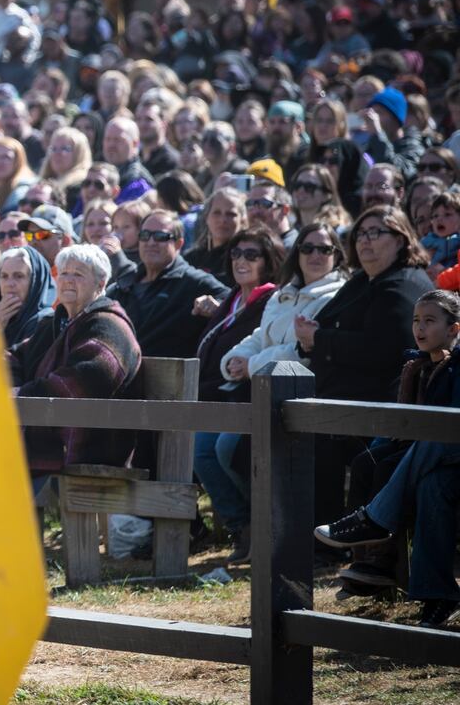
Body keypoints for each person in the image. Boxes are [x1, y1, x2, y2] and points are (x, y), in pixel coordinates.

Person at [314, 290, 460, 628]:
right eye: (416, 321)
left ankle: (375, 520)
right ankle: (437, 596)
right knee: (430, 484)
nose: (420, 328)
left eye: (430, 321)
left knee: (439, 436)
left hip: (448, 446)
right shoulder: (421, 366)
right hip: (445, 465)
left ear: (454, 329)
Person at [296, 208, 432, 525]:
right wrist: (308, 337)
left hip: (377, 405)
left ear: (400, 240)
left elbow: (383, 350)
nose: (365, 241)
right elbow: (326, 323)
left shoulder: (404, 286)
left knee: (321, 442)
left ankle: (329, 540)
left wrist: (319, 338)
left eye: (375, 233)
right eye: (360, 233)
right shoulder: (363, 280)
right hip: (338, 396)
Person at [9, 244, 143, 489]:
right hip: (50, 436)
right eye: (63, 273)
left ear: (101, 283)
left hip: (89, 447)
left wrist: (21, 394)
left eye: (78, 274)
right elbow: (17, 357)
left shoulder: (109, 324)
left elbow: (87, 378)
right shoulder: (57, 322)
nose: (68, 280)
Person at [188, 228, 284, 561]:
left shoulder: (271, 299)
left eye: (251, 255)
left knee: (224, 449)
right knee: (201, 452)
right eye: (235, 253)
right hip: (219, 396)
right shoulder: (233, 298)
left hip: (250, 397)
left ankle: (265, 522)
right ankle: (241, 526)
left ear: (268, 261)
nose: (241, 260)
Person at [108, 208, 230, 359]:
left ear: (179, 244)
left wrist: (216, 306)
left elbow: (236, 303)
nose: (151, 242)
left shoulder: (192, 281)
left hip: (170, 377)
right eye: (145, 235)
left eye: (161, 236)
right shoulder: (122, 285)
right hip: (123, 375)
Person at [0, 245, 55, 352]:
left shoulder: (45, 322)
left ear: (35, 282)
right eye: (4, 276)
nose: (9, 284)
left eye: (19, 276)